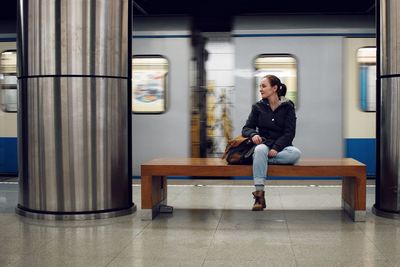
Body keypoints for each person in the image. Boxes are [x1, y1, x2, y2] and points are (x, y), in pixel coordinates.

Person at [242, 74, 301, 211]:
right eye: (260, 87)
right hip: (263, 145)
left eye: (263, 86)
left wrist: (276, 148)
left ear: (274, 88)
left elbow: (289, 133)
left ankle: (260, 160)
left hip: (281, 148)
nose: (260, 89)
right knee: (260, 150)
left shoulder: (288, 107)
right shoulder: (257, 107)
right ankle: (259, 196)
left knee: (296, 154)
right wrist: (253, 134)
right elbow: (246, 128)